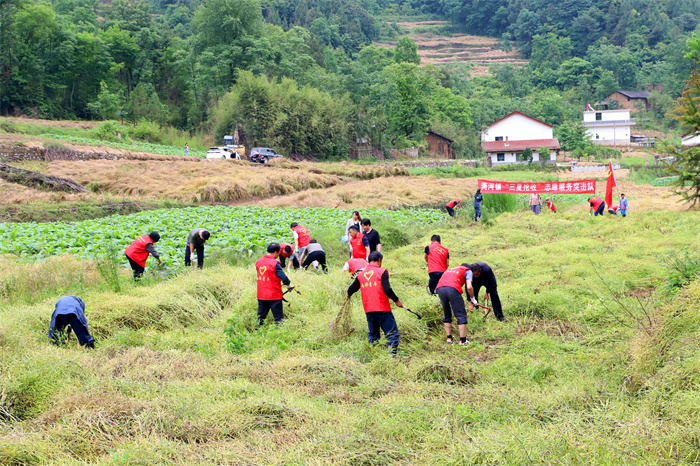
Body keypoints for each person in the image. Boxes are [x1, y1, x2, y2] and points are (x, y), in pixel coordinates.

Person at [347, 251, 404, 355]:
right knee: (391, 333)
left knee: (373, 334)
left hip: (369, 310)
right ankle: (392, 357)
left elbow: (352, 288)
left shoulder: (361, 274)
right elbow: (387, 289)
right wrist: (397, 300)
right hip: (382, 309)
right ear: (379, 260)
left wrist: (348, 295)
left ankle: (373, 355)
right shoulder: (382, 272)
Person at [435, 264, 478, 345]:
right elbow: (469, 287)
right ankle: (463, 340)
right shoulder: (468, 271)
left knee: (447, 313)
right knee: (461, 314)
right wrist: (472, 299)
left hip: (440, 288)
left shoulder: (450, 269)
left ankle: (449, 338)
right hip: (452, 288)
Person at [256, 243, 293, 326]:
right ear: (276, 252)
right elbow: (283, 277)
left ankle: (256, 333)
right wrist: (288, 285)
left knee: (260, 318)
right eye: (279, 253)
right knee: (279, 319)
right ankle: (280, 335)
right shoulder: (274, 263)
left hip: (261, 294)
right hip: (274, 295)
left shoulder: (258, 262)